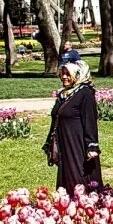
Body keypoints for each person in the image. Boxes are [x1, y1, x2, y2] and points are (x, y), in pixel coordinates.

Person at [44, 59, 103, 196]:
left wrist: (92, 146)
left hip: (78, 144)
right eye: (62, 73)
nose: (64, 76)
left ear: (78, 75)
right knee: (67, 173)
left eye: (67, 74)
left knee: (78, 174)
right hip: (65, 143)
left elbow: (90, 121)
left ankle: (83, 203)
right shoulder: (64, 94)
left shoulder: (85, 93)